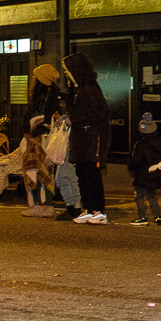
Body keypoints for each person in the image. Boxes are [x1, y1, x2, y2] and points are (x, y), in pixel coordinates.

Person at [62, 52, 112, 225]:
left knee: (91, 176)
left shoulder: (89, 89)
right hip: (83, 140)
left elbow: (98, 113)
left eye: (68, 70)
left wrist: (73, 120)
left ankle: (98, 211)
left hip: (91, 140)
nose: (66, 73)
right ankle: (90, 209)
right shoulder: (80, 89)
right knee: (82, 175)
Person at [19, 64, 62, 217]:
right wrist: (27, 134)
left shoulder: (55, 97)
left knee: (45, 170)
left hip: (44, 139)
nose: (33, 79)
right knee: (31, 170)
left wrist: (35, 133)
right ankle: (36, 204)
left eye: (35, 77)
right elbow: (27, 117)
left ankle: (47, 205)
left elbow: (50, 121)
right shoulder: (36, 97)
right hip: (32, 138)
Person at [128, 112, 161, 226]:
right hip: (154, 173)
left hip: (142, 173)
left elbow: (136, 160)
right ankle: (158, 216)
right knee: (152, 195)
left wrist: (131, 166)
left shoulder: (140, 144)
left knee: (139, 195)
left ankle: (142, 217)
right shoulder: (159, 143)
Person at [53, 93, 84, 220]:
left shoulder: (70, 117)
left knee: (61, 179)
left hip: (69, 149)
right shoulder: (76, 114)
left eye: (63, 102)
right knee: (72, 180)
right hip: (73, 149)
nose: (61, 105)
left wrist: (63, 120)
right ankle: (76, 208)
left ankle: (72, 207)